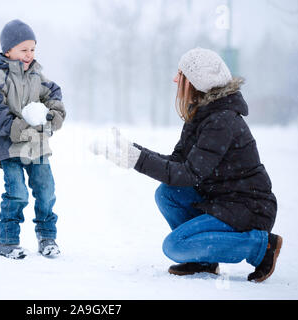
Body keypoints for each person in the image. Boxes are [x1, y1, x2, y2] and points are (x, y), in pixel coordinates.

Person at [91, 48, 281, 283]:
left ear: (196, 82)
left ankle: (261, 246)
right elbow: (179, 162)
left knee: (175, 246)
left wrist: (137, 161)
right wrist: (134, 151)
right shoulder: (204, 113)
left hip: (248, 208)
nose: (174, 79)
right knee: (168, 194)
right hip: (223, 201)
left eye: (180, 74)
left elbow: (188, 174)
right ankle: (204, 260)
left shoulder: (222, 121)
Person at [0, 19, 66, 259]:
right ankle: (6, 241)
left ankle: (47, 238)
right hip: (9, 146)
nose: (29, 54)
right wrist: (16, 127)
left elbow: (54, 94)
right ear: (8, 51)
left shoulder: (37, 74)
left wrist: (54, 114)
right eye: (24, 49)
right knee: (17, 193)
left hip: (37, 144)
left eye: (33, 49)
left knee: (46, 190)